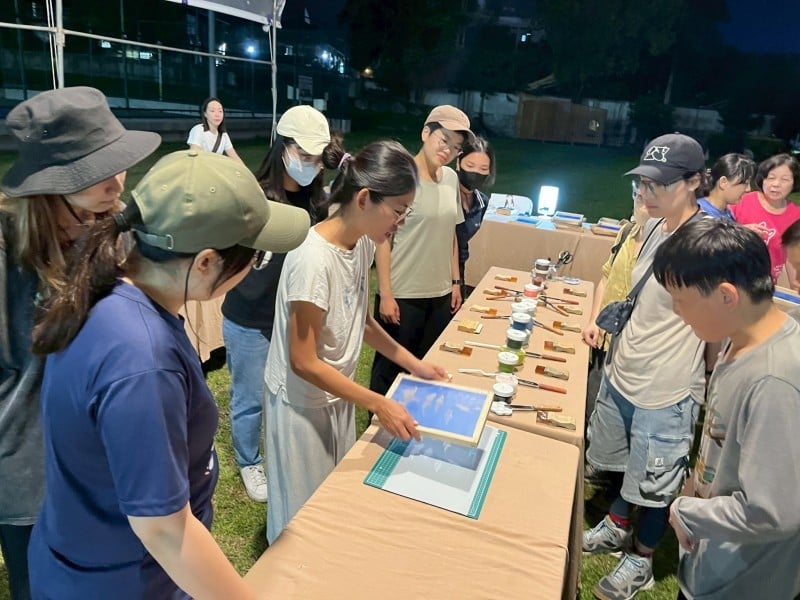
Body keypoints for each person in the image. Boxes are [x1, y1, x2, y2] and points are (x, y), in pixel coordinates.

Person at [27, 150, 310, 599]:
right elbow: (165, 531)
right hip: (125, 581)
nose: (253, 267)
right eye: (254, 258)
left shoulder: (109, 288)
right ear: (205, 263)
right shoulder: (142, 360)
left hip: (88, 556)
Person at [0, 86, 160, 600]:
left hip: (94, 460)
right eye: (98, 168)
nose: (118, 181)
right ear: (51, 188)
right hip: (28, 477)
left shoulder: (107, 229)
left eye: (118, 161)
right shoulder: (7, 255)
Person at [264, 140, 449, 543]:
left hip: (337, 392)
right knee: (300, 516)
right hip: (302, 402)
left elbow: (359, 321)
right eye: (399, 211)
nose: (400, 222)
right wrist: (377, 402)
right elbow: (303, 361)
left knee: (329, 501)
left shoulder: (363, 240)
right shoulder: (312, 260)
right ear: (364, 198)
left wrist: (414, 364)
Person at [582, 133, 714, 600]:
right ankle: (617, 525)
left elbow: (715, 328)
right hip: (625, 372)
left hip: (668, 387)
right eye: (644, 182)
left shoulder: (704, 245)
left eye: (661, 184)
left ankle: (640, 560)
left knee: (656, 485)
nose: (647, 192)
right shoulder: (655, 224)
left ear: (695, 181)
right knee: (623, 467)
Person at [651, 218, 800, 600]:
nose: (677, 312)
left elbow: (772, 512)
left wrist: (686, 510)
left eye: (682, 301)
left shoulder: (773, 381)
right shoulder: (742, 337)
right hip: (714, 560)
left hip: (743, 582)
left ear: (727, 296)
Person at [221, 105, 332, 502]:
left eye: (318, 158)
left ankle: (283, 449)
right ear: (282, 147)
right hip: (248, 317)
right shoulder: (253, 195)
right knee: (249, 396)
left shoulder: (318, 202)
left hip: (292, 315)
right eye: (304, 155)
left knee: (287, 391)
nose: (311, 165)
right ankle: (250, 461)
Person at [369, 105, 472, 396]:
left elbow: (451, 232)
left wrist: (455, 282)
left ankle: (414, 428)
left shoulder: (451, 179)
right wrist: (386, 293)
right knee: (390, 370)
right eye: (444, 140)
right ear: (426, 133)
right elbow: (383, 239)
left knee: (426, 367)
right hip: (403, 293)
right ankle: (375, 433)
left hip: (439, 294)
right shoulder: (401, 177)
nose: (448, 151)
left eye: (456, 147)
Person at [582, 181, 651, 419]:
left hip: (634, 352)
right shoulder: (626, 232)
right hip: (605, 340)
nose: (642, 206)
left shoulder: (665, 250)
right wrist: (594, 321)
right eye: (638, 198)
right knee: (592, 408)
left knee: (619, 418)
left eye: (648, 201)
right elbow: (606, 279)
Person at [730, 153, 800, 287]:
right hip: (731, 278)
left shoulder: (796, 215)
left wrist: (795, 283)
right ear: (762, 179)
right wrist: (741, 231)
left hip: (765, 286)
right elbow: (714, 231)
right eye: (770, 177)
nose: (776, 184)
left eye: (784, 180)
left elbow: (794, 254)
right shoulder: (742, 201)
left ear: (794, 183)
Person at [455, 135, 495, 298]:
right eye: (470, 165)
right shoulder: (446, 195)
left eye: (483, 169)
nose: (475, 173)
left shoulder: (483, 203)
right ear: (458, 162)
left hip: (466, 270)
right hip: (437, 272)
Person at [696, 153, 756, 219]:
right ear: (723, 182)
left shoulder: (725, 211)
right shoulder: (700, 214)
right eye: (744, 183)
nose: (748, 189)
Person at [187, 97, 244, 164]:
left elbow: (235, 158)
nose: (217, 115)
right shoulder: (198, 130)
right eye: (212, 111)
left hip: (214, 171)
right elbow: (194, 156)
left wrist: (247, 173)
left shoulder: (223, 135)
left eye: (220, 111)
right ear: (205, 114)